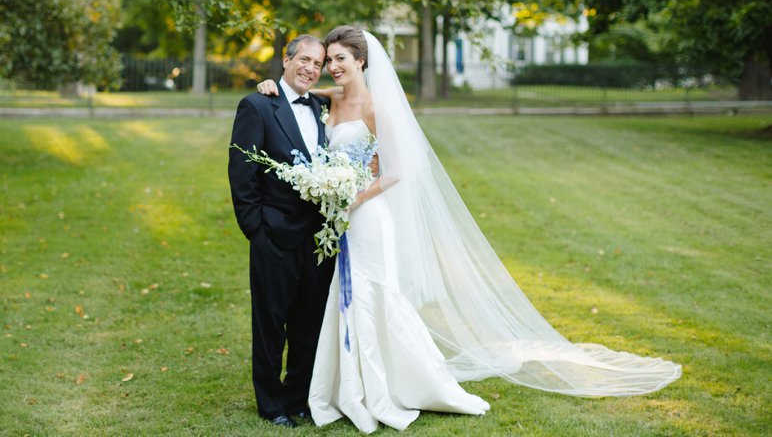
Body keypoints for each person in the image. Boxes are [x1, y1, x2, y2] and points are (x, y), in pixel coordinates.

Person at [256, 26, 682, 433]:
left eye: (340, 58)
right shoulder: (328, 100)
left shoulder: (376, 106)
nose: (331, 66)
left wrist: (357, 197)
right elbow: (298, 94)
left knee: (373, 293)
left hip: (366, 215)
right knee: (343, 298)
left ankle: (394, 385)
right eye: (328, 60)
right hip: (339, 220)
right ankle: (344, 385)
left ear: (362, 61)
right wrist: (269, 85)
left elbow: (400, 169)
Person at [228, 34, 336, 428]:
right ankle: (271, 403)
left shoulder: (324, 105)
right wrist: (256, 228)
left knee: (309, 321)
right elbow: (242, 174)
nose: (310, 67)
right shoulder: (258, 105)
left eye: (318, 63)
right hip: (273, 235)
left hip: (319, 238)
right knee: (271, 322)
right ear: (286, 60)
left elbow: (353, 90)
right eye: (303, 59)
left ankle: (298, 397)